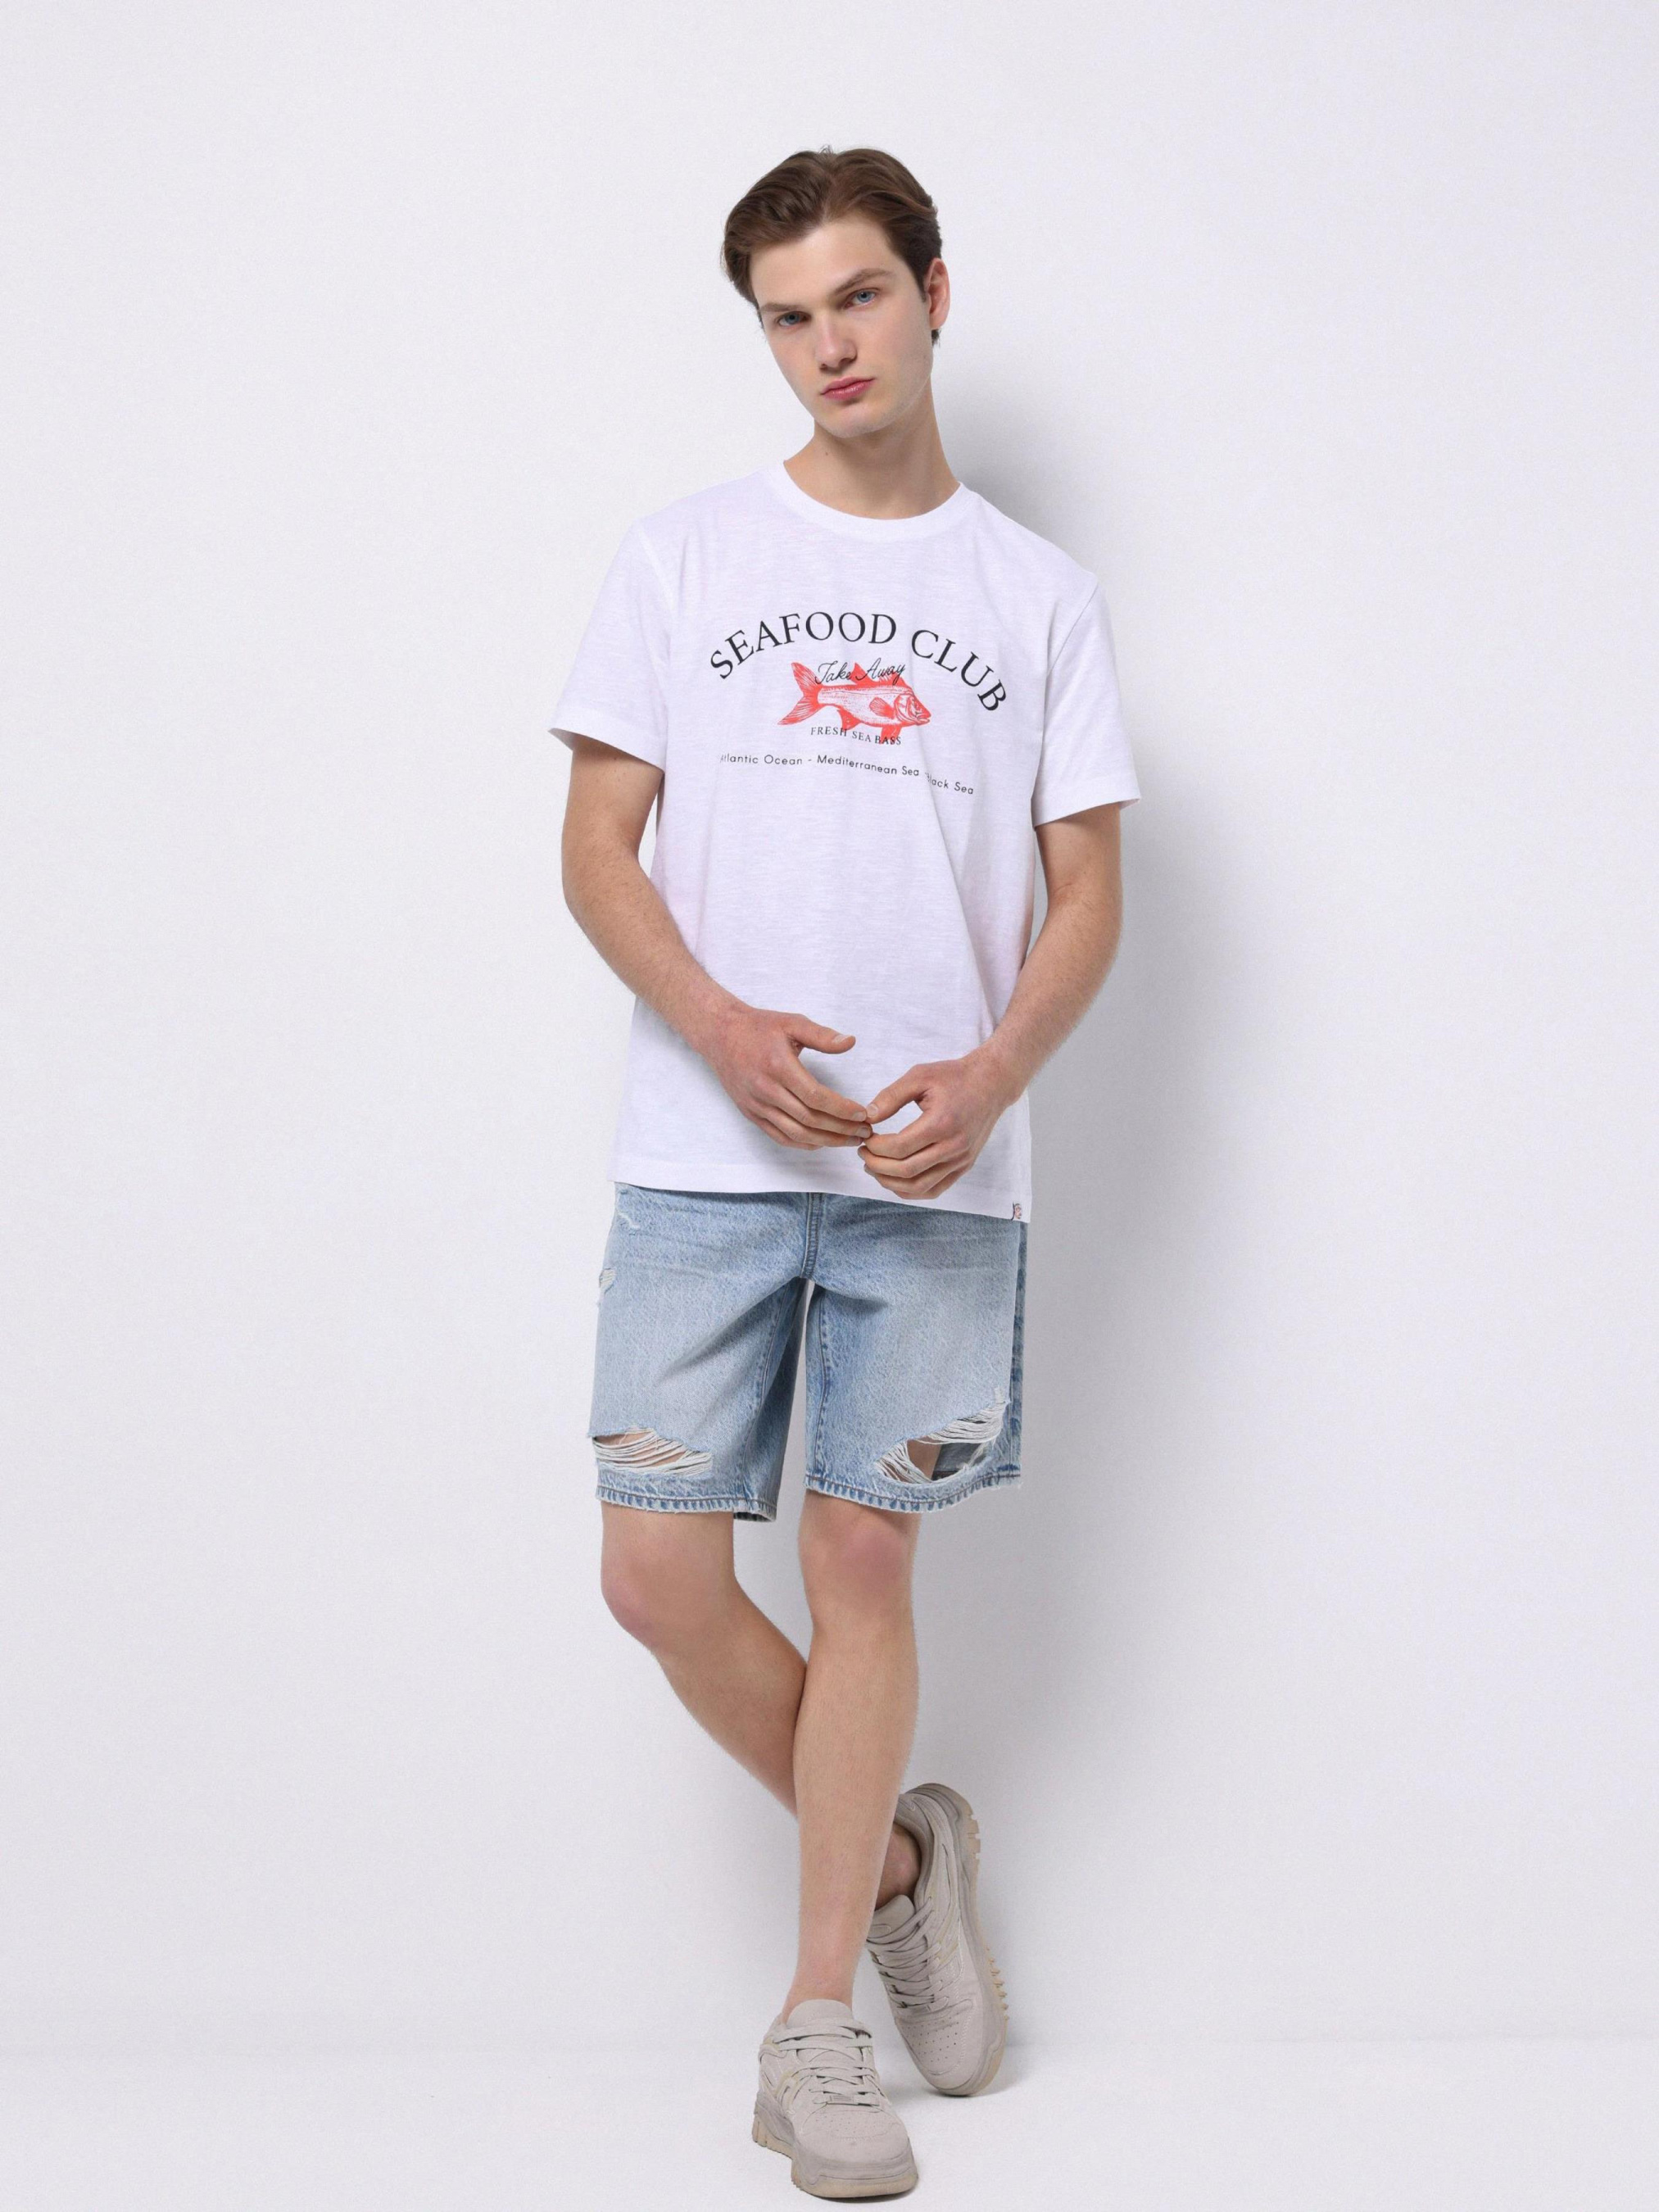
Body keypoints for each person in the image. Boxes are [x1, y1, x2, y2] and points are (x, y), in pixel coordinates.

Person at [551, 143, 1140, 2200]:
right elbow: (594, 852)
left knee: (862, 1560)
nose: (829, 347)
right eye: (789, 317)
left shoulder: (1034, 595)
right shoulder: (682, 559)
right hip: (700, 1159)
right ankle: (899, 1865)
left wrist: (992, 1071)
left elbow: (1086, 894)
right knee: (651, 1572)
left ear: (933, 294)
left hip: (933, 1169)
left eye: (860, 298)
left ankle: (813, 2031)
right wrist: (717, 1026)